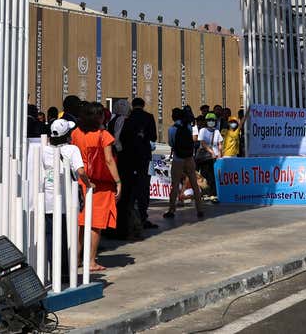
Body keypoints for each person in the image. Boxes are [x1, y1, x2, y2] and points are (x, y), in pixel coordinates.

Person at [70, 104, 120, 273]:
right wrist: (118, 181)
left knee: (81, 222)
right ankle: (91, 260)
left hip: (79, 180)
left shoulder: (76, 133)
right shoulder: (103, 135)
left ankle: (76, 258)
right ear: (98, 118)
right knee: (95, 224)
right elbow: (109, 160)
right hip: (99, 184)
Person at [38, 118, 85, 279]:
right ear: (68, 135)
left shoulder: (43, 150)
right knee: (67, 236)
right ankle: (65, 272)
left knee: (51, 235)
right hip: (66, 201)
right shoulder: (72, 150)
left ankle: (53, 270)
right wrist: (89, 184)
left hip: (48, 199)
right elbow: (81, 171)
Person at [116, 97, 158, 236]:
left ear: (132, 106)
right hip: (143, 157)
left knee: (129, 189)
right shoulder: (148, 117)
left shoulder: (127, 118)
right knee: (143, 187)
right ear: (143, 105)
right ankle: (142, 216)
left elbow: (121, 137)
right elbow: (153, 137)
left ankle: (130, 217)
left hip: (128, 157)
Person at [164, 107, 205, 220]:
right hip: (189, 157)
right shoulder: (188, 126)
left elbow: (171, 143)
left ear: (173, 117)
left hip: (178, 158)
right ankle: (200, 209)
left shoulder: (172, 129)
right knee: (194, 183)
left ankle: (171, 210)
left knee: (175, 184)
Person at [196, 113, 223, 201]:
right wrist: (211, 151)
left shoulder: (217, 131)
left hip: (214, 157)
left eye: (213, 120)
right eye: (209, 120)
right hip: (204, 157)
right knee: (204, 175)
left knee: (212, 176)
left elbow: (220, 143)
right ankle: (205, 193)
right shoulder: (203, 130)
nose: (211, 122)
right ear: (206, 121)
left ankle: (212, 194)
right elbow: (203, 143)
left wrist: (219, 153)